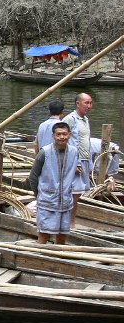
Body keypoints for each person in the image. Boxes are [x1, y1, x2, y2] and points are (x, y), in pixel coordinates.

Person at [27, 122, 81, 245]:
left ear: (69, 135)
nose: (62, 137)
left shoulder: (74, 152)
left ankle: (59, 258)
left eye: (64, 134)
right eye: (58, 134)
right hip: (47, 200)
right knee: (44, 235)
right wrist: (38, 195)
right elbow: (33, 177)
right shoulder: (44, 152)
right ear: (53, 136)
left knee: (62, 237)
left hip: (65, 200)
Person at [62, 93, 93, 227]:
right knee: (73, 193)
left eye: (91, 103)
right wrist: (73, 162)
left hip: (85, 160)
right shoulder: (70, 119)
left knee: (78, 194)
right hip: (75, 161)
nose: (89, 106)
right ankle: (69, 223)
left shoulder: (85, 119)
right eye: (86, 103)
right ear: (77, 103)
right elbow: (64, 141)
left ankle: (71, 222)